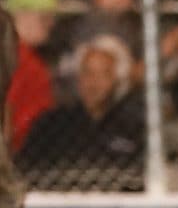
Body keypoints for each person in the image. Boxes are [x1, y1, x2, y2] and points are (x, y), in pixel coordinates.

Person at [19, 34, 144, 188]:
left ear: (117, 79)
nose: (93, 83)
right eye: (87, 73)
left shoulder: (133, 127)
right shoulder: (52, 124)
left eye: (103, 74)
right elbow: (27, 168)